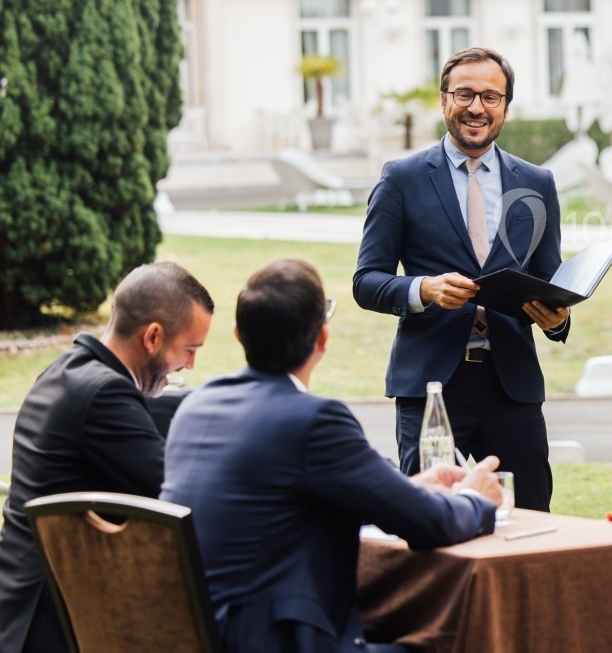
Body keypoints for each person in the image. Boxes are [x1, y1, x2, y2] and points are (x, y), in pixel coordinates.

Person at [162, 259, 501, 653]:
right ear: (322, 339)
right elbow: (430, 527)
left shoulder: (196, 406)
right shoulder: (313, 420)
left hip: (196, 635)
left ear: (239, 335)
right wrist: (475, 500)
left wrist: (409, 489)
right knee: (469, 635)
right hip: (278, 640)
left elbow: (283, 499)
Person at [353, 46, 568, 511]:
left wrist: (557, 319)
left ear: (506, 107)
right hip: (431, 385)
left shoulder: (538, 183)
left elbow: (549, 278)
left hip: (512, 382)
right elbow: (366, 280)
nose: (477, 107)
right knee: (425, 519)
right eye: (465, 94)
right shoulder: (402, 178)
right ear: (444, 100)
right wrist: (423, 289)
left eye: (491, 97)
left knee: (531, 516)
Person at [0, 262, 214, 653]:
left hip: (21, 602)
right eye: (190, 349)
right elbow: (177, 492)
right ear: (152, 337)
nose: (191, 364)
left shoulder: (66, 370)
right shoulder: (104, 396)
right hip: (49, 623)